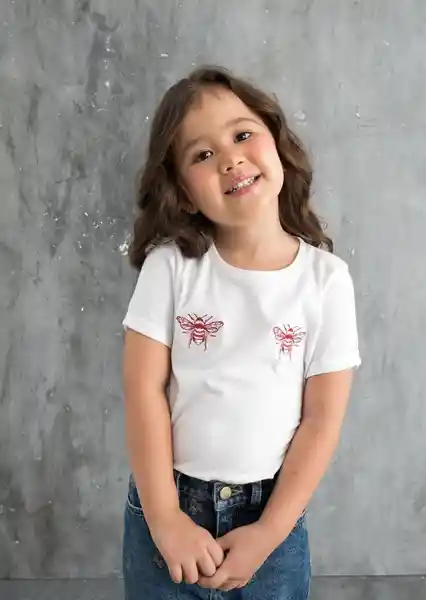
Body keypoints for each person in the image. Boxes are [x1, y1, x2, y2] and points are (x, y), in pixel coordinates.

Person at [121, 65, 361, 600]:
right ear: (184, 194)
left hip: (271, 520)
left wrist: (268, 533)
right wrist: (165, 518)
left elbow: (321, 420)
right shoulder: (171, 268)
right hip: (168, 510)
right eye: (202, 155)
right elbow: (142, 391)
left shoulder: (326, 281)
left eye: (242, 134)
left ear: (275, 142)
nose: (230, 159)